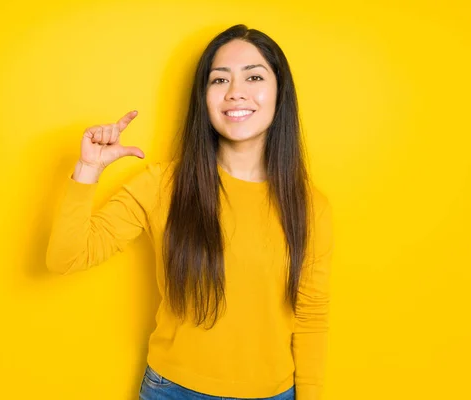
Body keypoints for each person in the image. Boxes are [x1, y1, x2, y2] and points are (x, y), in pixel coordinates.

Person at [45, 24, 334, 400]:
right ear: (204, 97)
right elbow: (65, 257)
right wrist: (88, 170)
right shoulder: (161, 185)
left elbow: (311, 317)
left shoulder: (310, 206)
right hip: (172, 390)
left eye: (254, 76)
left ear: (280, 92)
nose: (236, 92)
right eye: (219, 80)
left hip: (273, 393)